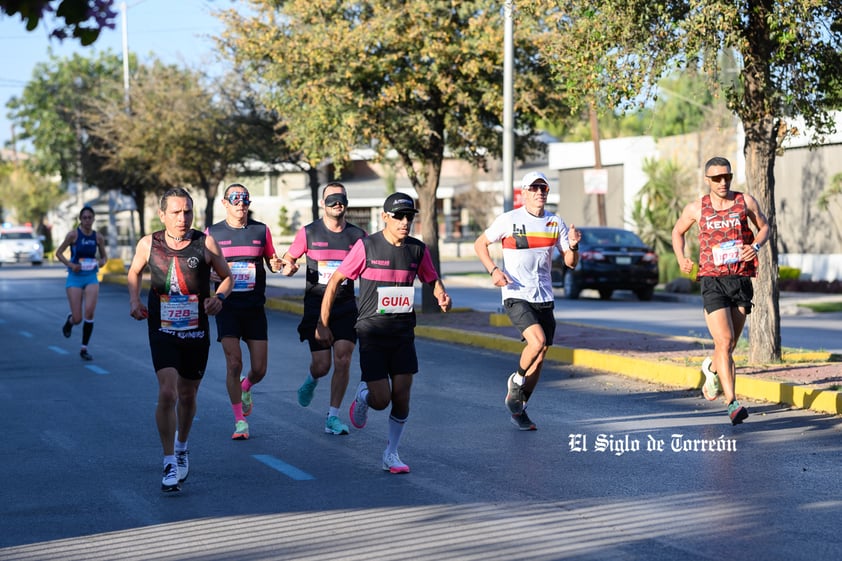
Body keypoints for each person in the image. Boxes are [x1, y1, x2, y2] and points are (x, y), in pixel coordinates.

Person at [316, 192, 451, 473]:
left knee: (402, 395)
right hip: (372, 333)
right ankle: (363, 397)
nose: (405, 222)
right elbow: (335, 282)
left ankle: (391, 453)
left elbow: (430, 277)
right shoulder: (367, 247)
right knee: (382, 400)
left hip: (403, 333)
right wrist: (323, 323)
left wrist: (441, 294)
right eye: (399, 216)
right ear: (385, 218)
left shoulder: (417, 250)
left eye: (409, 217)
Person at [127, 188, 232, 492]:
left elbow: (227, 276)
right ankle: (169, 460)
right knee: (168, 392)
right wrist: (134, 301)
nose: (182, 218)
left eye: (187, 211)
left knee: (187, 396)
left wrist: (219, 298)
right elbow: (134, 272)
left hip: (196, 330)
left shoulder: (205, 243)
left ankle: (182, 446)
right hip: (162, 330)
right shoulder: (149, 244)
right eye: (175, 212)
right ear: (162, 215)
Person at [474, 171, 580, 431]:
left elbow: (570, 263)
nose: (540, 192)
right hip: (516, 293)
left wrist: (574, 247)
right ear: (524, 192)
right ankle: (516, 380)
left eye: (543, 188)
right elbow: (480, 244)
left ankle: (519, 407)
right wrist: (493, 270)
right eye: (534, 188)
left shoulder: (555, 223)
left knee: (540, 355)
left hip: (543, 295)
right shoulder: (509, 220)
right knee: (537, 341)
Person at [672, 156, 769, 425]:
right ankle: (732, 404)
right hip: (712, 281)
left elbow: (764, 227)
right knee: (724, 342)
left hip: (740, 279)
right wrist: (682, 259)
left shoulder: (745, 202)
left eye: (727, 176)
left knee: (729, 345)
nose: (723, 182)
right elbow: (677, 232)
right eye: (717, 178)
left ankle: (711, 367)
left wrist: (756, 247)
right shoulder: (697, 208)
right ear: (708, 180)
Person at [280, 182, 366, 436]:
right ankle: (311, 380)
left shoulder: (358, 236)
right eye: (332, 199)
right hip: (316, 306)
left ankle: (332, 416)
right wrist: (288, 267)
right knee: (322, 365)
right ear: (322, 203)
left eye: (342, 199)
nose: (337, 203)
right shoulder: (309, 233)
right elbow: (289, 260)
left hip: (346, 305)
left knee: (344, 357)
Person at [207, 184, 284, 441]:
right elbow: (203, 268)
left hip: (254, 308)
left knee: (260, 369)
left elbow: (272, 260)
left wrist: (275, 263)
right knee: (234, 362)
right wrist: (210, 275)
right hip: (227, 307)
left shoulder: (261, 231)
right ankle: (240, 421)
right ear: (225, 203)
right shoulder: (213, 233)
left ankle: (246, 385)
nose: (241, 203)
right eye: (235, 199)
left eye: (244, 199)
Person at [56, 206, 109, 361]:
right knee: (78, 318)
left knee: (90, 312)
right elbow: (58, 253)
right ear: (80, 219)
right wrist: (71, 265)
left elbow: (104, 258)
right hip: (75, 276)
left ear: (93, 219)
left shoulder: (98, 237)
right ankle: (70, 321)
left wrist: (101, 262)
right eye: (84, 218)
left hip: (91, 276)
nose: (87, 220)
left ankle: (84, 348)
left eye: (89, 217)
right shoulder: (73, 235)